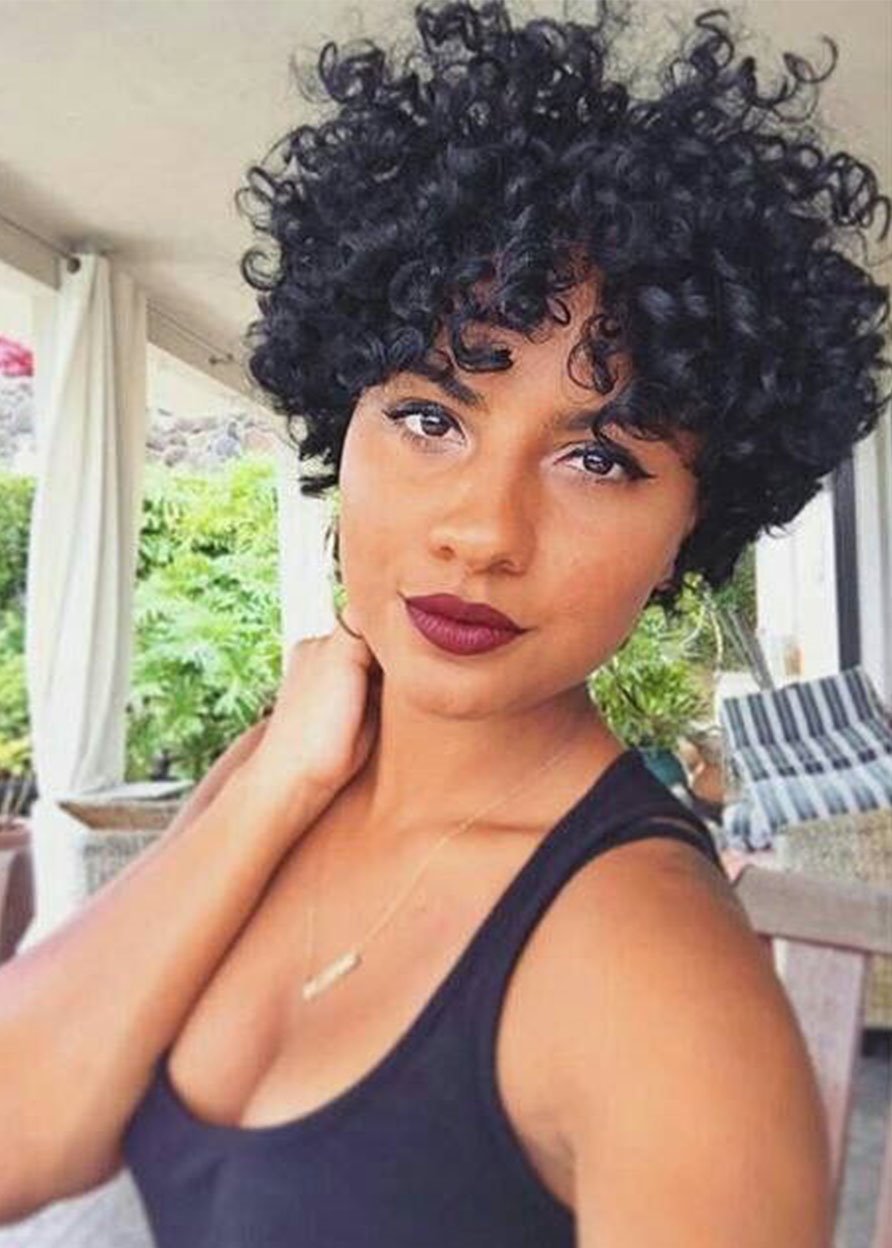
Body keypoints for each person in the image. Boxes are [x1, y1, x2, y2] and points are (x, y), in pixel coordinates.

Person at [1, 1, 888, 1243]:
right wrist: (278, 782)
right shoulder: (276, 775)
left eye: (598, 459)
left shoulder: (656, 984)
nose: (482, 531)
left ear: (692, 528)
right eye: (429, 418)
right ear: (342, 419)